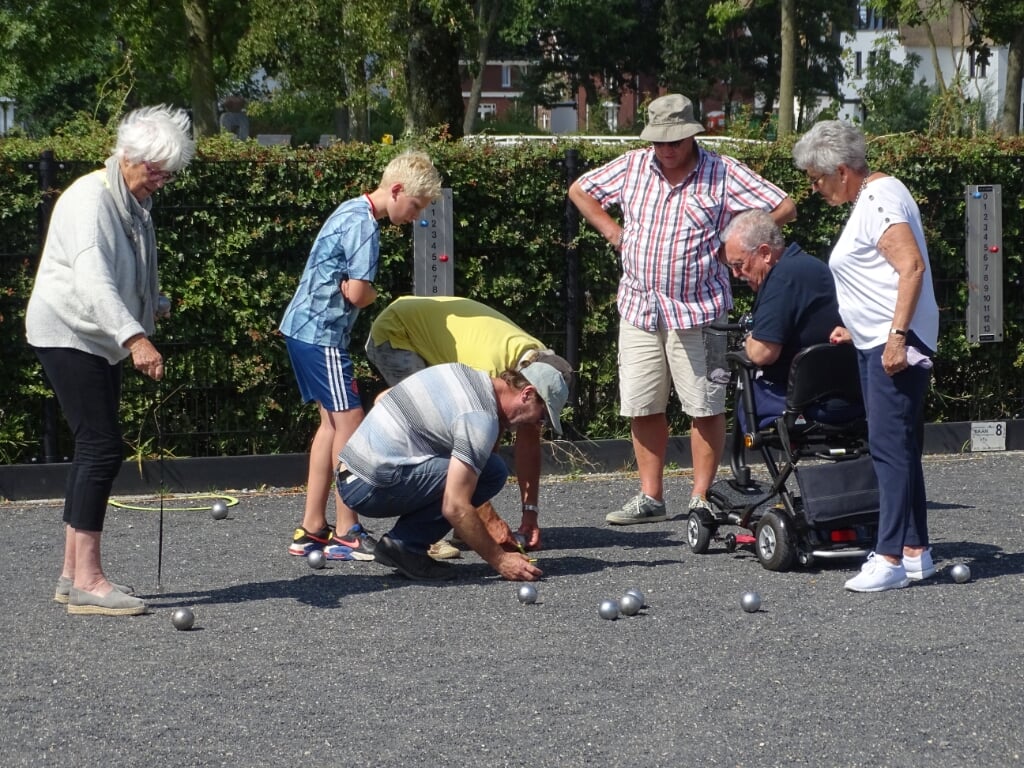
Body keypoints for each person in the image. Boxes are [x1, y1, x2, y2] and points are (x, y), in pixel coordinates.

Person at [567, 92, 796, 526]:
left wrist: (734, 242)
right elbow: (579, 189)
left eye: (674, 141)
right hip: (640, 307)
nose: (666, 149)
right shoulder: (633, 166)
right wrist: (614, 234)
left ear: (693, 135)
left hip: (701, 311)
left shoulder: (722, 171)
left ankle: (701, 496)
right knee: (642, 403)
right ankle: (650, 496)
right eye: (659, 141)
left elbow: (784, 205)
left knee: (705, 405)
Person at [25, 105, 195, 616]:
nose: (161, 182)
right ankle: (90, 582)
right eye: (155, 171)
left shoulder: (133, 202)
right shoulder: (90, 200)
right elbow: (93, 282)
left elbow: (134, 270)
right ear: (128, 157)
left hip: (96, 336)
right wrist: (135, 338)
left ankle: (70, 574)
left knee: (91, 447)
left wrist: (152, 305)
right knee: (102, 448)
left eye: (167, 173)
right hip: (68, 330)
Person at [792, 120, 939, 592]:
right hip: (877, 338)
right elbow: (882, 277)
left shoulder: (877, 200)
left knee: (888, 449)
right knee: (900, 448)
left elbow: (910, 267)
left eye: (816, 179)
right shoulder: (883, 193)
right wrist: (858, 326)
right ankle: (916, 550)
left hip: (892, 345)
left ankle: (890, 555)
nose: (814, 189)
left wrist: (895, 336)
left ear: (840, 170)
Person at [279, 150, 443, 562]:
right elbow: (357, 292)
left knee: (330, 427)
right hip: (323, 336)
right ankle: (347, 530)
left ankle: (312, 528)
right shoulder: (367, 227)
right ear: (398, 190)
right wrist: (370, 294)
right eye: (416, 206)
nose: (416, 216)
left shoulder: (350, 208)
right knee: (351, 424)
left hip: (299, 330)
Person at [365, 295, 573, 556]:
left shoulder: (539, 365)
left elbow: (529, 436)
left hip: (423, 327)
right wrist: (487, 521)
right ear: (528, 392)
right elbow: (471, 454)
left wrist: (530, 514)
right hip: (397, 331)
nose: (539, 420)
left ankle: (459, 522)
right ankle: (420, 539)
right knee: (438, 433)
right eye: (541, 413)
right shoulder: (488, 370)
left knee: (488, 453)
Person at [335, 361, 569, 581]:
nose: (537, 425)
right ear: (526, 394)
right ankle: (404, 546)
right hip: (366, 487)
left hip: (350, 471)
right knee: (491, 472)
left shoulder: (466, 374)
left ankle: (403, 544)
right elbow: (455, 506)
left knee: (484, 467)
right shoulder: (480, 418)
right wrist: (500, 560)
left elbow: (382, 398)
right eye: (542, 417)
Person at [719, 209, 858, 430]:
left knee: (748, 395)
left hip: (805, 401)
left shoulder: (782, 278)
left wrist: (749, 338)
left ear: (765, 252)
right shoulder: (810, 266)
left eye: (739, 264)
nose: (736, 274)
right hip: (847, 394)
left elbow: (762, 353)